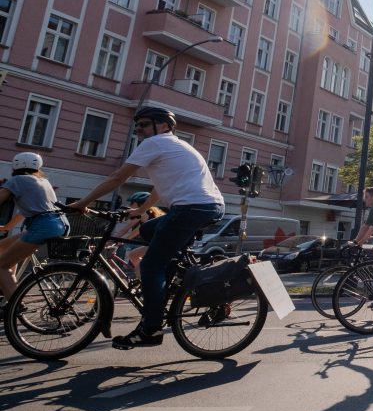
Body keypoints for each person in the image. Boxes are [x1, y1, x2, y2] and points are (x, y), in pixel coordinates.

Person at [67, 106, 225, 349]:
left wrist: (82, 203)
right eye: (137, 125)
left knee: (151, 265)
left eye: (144, 124)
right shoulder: (177, 145)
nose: (138, 129)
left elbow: (118, 178)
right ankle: (176, 278)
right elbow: (160, 187)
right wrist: (140, 211)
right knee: (149, 230)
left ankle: (150, 329)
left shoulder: (156, 143)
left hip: (191, 208)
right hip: (205, 206)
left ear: (162, 125)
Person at [0, 153, 68, 303]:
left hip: (42, 226)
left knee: (1, 267)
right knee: (3, 247)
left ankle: (14, 306)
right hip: (58, 224)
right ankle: (8, 286)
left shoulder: (16, 180)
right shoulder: (43, 181)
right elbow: (26, 211)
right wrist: (8, 227)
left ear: (14, 165)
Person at [112, 191, 163, 280]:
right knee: (133, 255)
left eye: (132, 203)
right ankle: (144, 277)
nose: (130, 205)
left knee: (136, 261)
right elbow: (136, 232)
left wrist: (110, 241)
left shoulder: (142, 214)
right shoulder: (149, 215)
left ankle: (144, 284)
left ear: (140, 204)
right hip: (157, 244)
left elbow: (125, 229)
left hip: (158, 245)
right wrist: (121, 241)